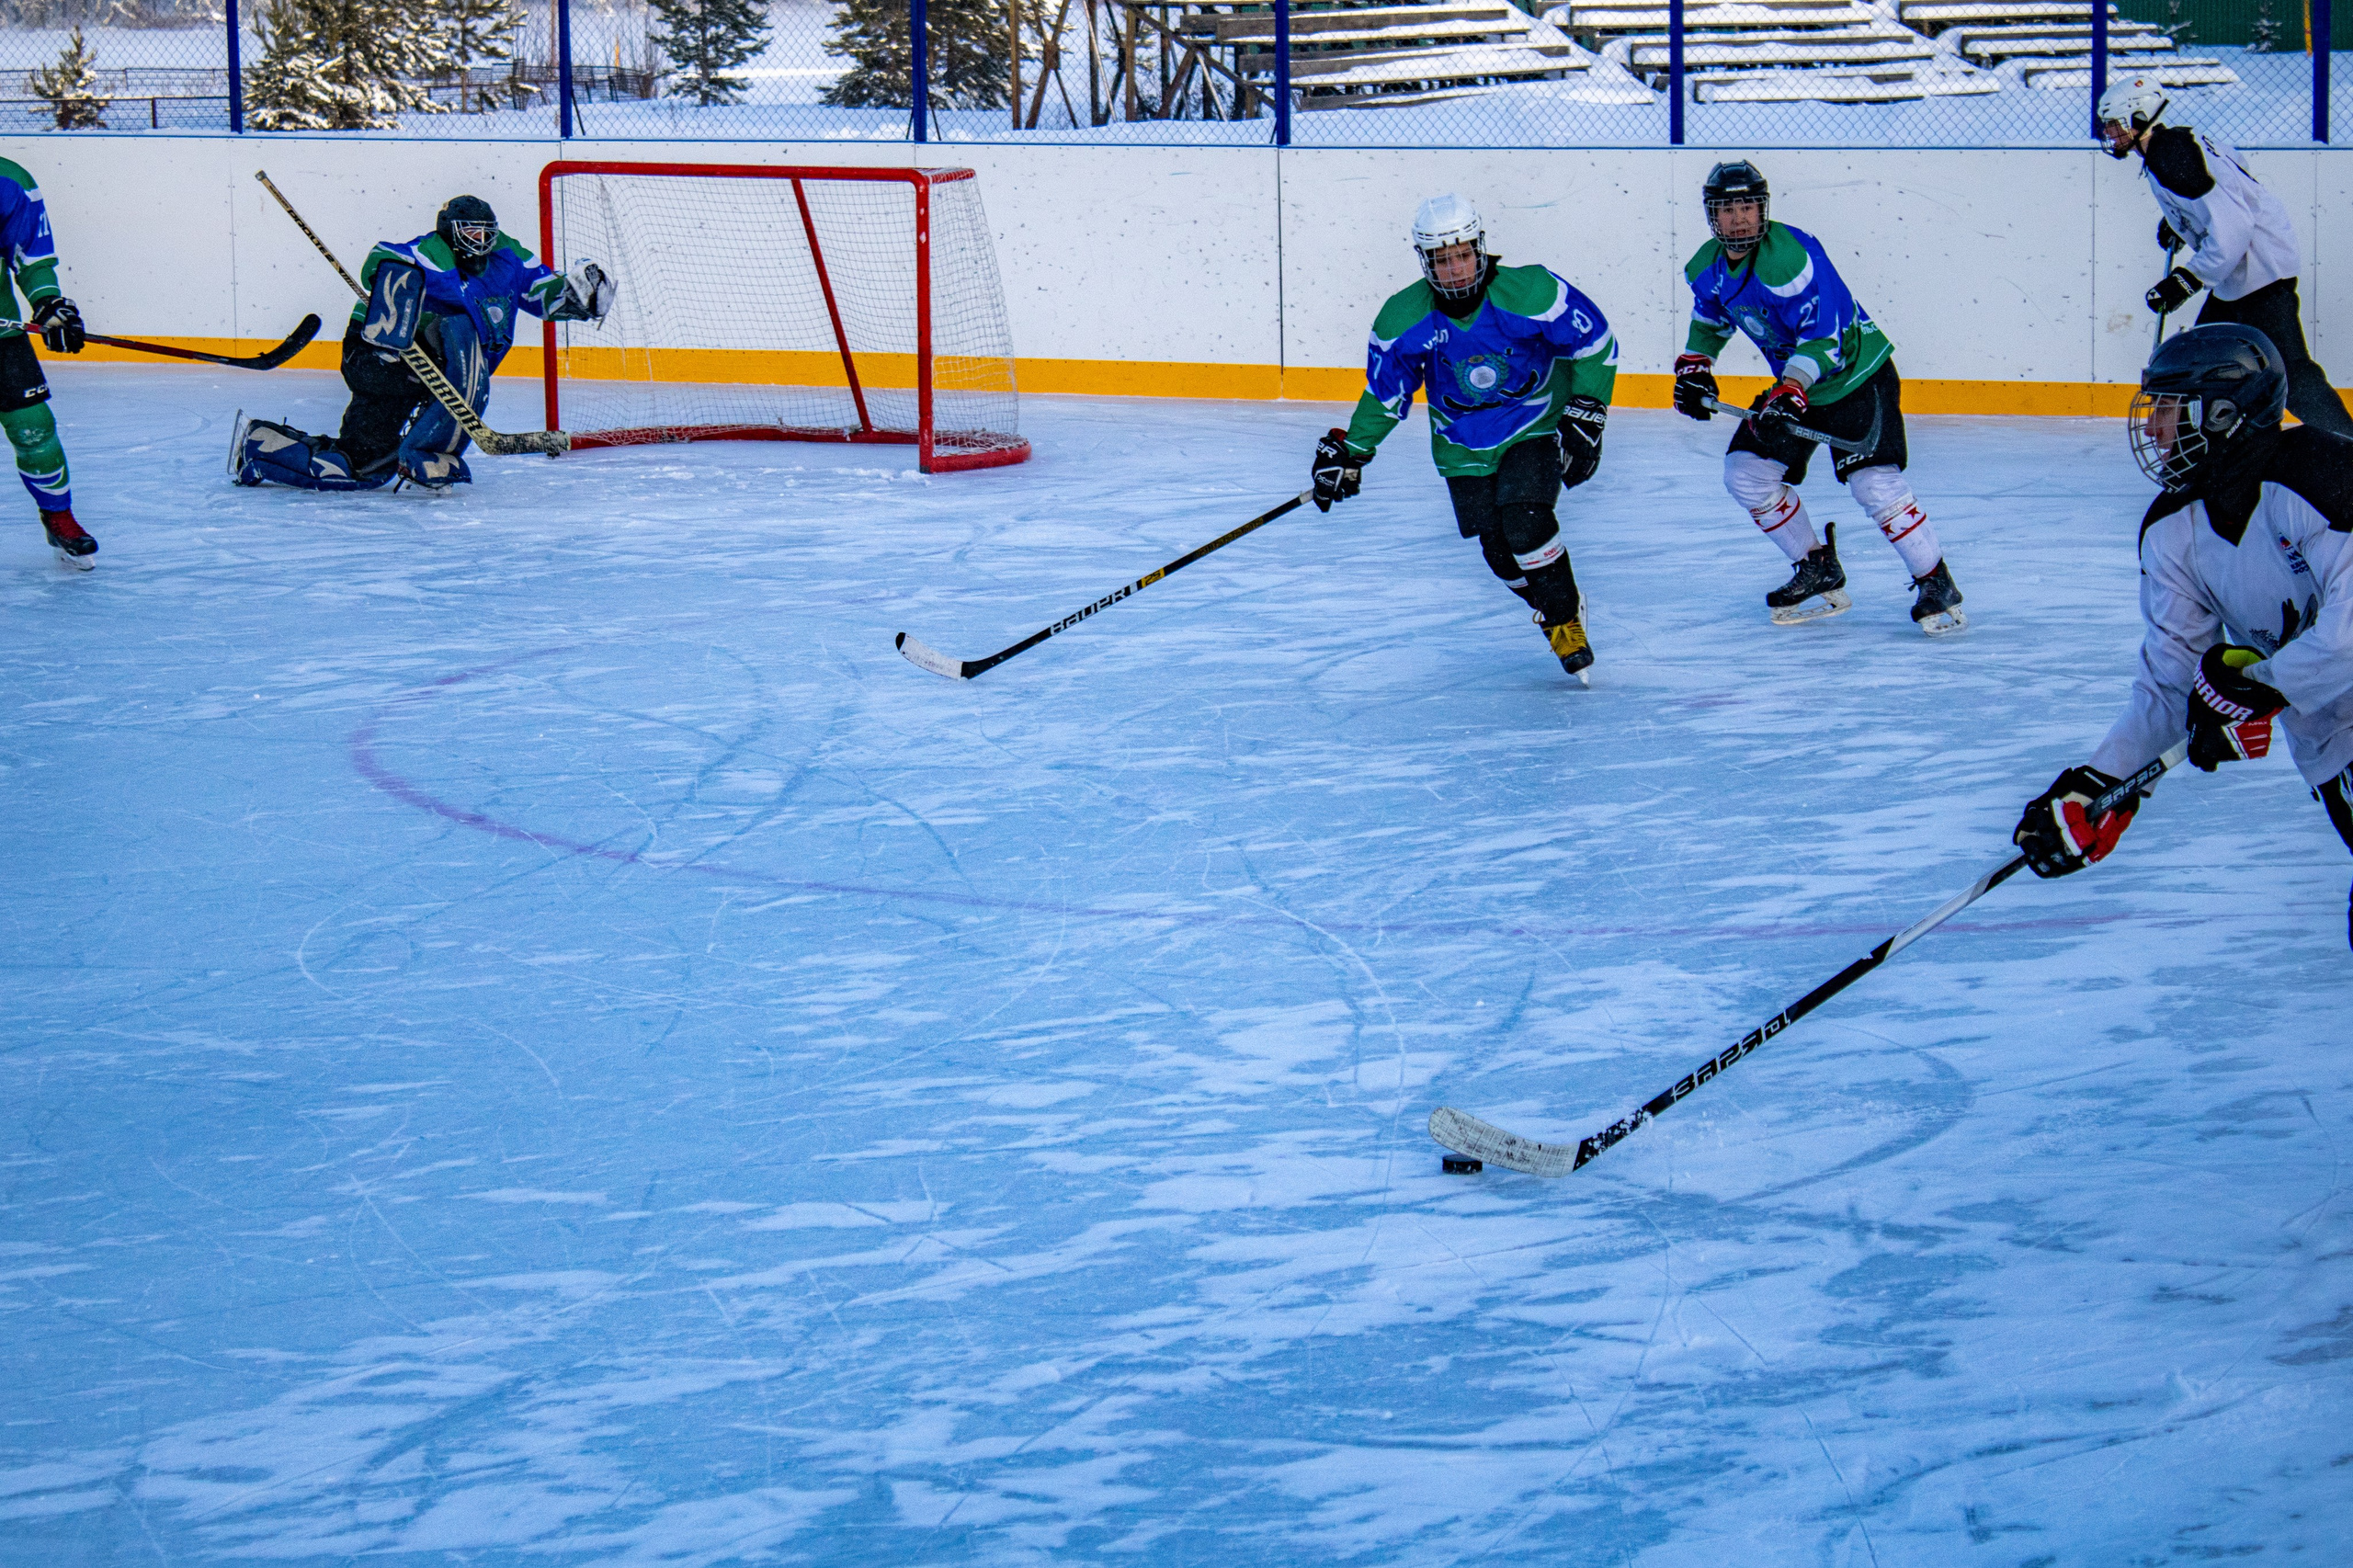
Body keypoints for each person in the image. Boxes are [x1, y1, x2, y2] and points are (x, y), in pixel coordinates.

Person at [2013, 324, 2353, 950]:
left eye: (2167, 408)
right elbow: (2172, 684)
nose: (2150, 427)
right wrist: (2101, 781)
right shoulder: (2173, 531)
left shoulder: (2322, 474)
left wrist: (2259, 687)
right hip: (2333, 741)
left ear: (2222, 413)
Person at [1311, 193, 1616, 681]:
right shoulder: (1402, 319)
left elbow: (1596, 341)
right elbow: (1387, 394)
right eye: (1441, 259)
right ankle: (1550, 600)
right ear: (1425, 261)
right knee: (1499, 553)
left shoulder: (1530, 292)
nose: (1454, 269)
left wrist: (1589, 407)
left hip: (1532, 423)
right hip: (1462, 446)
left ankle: (1564, 620)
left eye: (1462, 254)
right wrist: (1352, 450)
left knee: (1526, 520)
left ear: (1480, 248)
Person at [1671, 160, 1964, 636]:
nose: (1739, 218)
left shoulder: (1791, 258)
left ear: (1763, 208)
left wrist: (1790, 390)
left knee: (1872, 484)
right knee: (1746, 474)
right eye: (1727, 210)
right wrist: (1696, 367)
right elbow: (1710, 319)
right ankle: (1816, 566)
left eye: (1748, 206)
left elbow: (1824, 338)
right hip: (1798, 386)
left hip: (1855, 377)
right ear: (1711, 216)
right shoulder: (1707, 267)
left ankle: (1935, 581)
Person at [237, 195, 611, 492]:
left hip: (428, 366)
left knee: (369, 466)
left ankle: (428, 446)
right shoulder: (432, 252)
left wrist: (581, 295)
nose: (480, 242)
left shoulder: (507, 257)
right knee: (352, 470)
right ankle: (260, 443)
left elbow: (541, 289)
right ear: (450, 232)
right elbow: (383, 258)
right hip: (377, 356)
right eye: (471, 233)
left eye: (486, 233)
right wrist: (398, 309)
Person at [2097, 75, 2353, 441]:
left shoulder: (2171, 156)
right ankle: (2208, 448)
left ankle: (2346, 449)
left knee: (2288, 373)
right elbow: (2232, 179)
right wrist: (2180, 222)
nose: (2110, 133)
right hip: (2244, 274)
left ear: (2138, 118)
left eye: (2115, 124)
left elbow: (2233, 227)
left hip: (2259, 273)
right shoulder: (2176, 142)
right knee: (2202, 360)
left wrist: (2186, 279)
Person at [0, 157, 95, 568]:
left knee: (35, 428)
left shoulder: (9, 181)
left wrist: (48, 303)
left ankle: (58, 515)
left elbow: (31, 257)